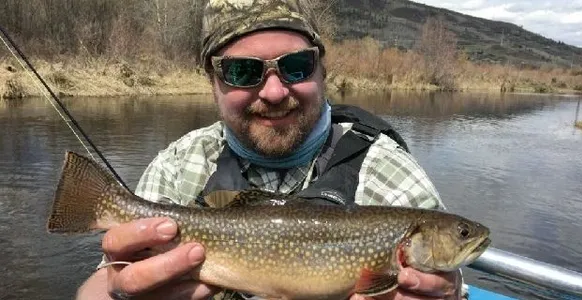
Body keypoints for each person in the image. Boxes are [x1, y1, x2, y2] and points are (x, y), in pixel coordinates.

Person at [76, 0, 464, 299]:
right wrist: (117, 289)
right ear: (213, 82)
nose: (275, 92)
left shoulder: (389, 175)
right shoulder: (180, 165)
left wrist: (445, 288)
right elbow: (96, 285)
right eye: (242, 71)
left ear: (322, 71)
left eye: (296, 66)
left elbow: (447, 283)